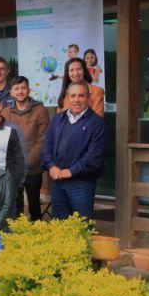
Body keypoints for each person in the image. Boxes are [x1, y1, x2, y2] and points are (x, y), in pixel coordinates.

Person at [42, 81, 106, 220]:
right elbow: (47, 145)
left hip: (81, 184)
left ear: (89, 98)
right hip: (58, 181)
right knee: (60, 226)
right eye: (73, 96)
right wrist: (51, 166)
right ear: (68, 98)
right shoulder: (58, 118)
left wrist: (71, 171)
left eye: (81, 96)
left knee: (81, 226)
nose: (76, 100)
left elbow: (94, 156)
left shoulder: (96, 123)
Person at [2, 75, 50, 220]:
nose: (20, 91)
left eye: (23, 88)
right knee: (16, 207)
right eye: (16, 89)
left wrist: (26, 162)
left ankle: (36, 237)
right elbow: (4, 139)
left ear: (28, 90)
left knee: (34, 205)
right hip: (13, 169)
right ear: (11, 92)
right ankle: (18, 238)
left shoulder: (40, 110)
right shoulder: (5, 113)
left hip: (33, 168)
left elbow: (43, 139)